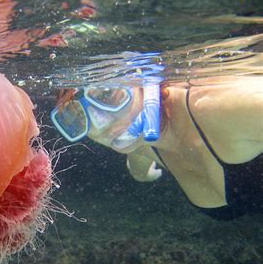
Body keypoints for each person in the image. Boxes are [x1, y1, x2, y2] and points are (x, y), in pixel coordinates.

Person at [51, 55, 263, 220]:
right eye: (77, 115)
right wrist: (140, 173)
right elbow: (137, 160)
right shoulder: (142, 144)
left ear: (144, 81)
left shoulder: (218, 109)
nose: (100, 125)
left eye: (107, 94)